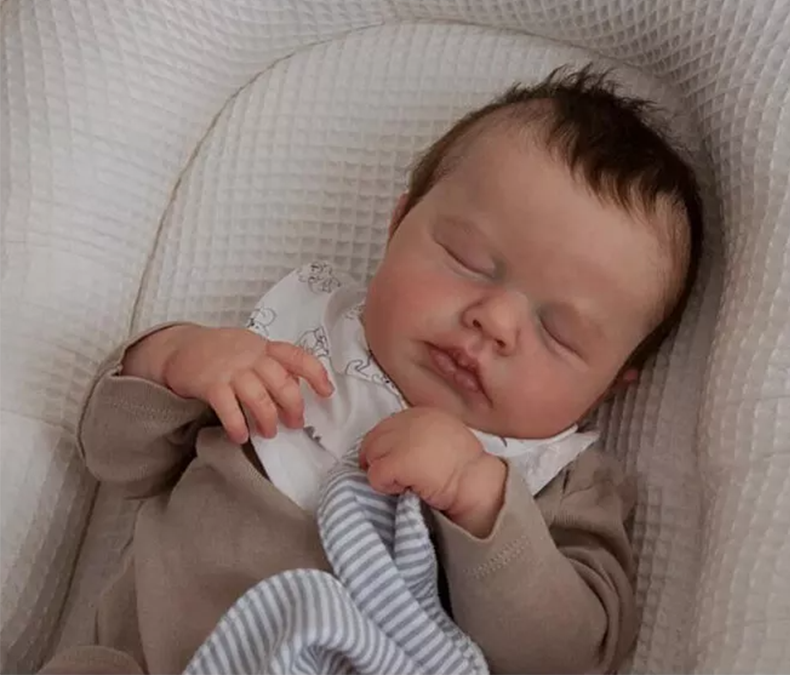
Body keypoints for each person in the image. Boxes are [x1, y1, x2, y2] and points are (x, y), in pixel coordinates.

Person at [41, 67, 703, 675]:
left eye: (558, 333)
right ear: (397, 225)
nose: (495, 321)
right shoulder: (288, 350)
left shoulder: (556, 481)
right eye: (468, 260)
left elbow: (568, 657)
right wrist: (173, 359)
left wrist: (479, 499)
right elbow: (114, 458)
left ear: (612, 384)